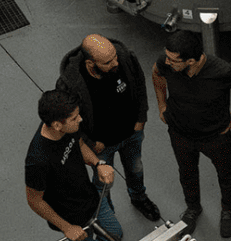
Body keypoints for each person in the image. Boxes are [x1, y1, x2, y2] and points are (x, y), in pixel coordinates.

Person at [25, 90, 123, 241]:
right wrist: (67, 227)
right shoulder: (37, 160)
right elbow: (34, 200)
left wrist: (98, 164)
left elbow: (79, 145)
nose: (80, 119)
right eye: (74, 118)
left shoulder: (67, 129)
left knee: (114, 233)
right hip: (72, 217)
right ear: (57, 125)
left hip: (91, 197)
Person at [151, 30, 231, 237]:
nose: (167, 62)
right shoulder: (166, 62)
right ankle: (193, 208)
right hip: (180, 133)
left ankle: (228, 210)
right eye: (167, 57)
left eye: (173, 60)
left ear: (191, 60)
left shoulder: (222, 71)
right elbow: (156, 73)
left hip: (214, 136)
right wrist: (161, 104)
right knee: (186, 173)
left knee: (225, 174)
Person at [56, 34, 161, 221]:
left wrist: (141, 118)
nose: (116, 63)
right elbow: (68, 122)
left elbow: (140, 86)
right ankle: (107, 215)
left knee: (136, 169)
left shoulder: (125, 58)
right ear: (91, 64)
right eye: (108, 62)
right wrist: (89, 143)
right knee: (103, 183)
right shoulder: (70, 84)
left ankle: (139, 198)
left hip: (132, 134)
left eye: (115, 57)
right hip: (100, 146)